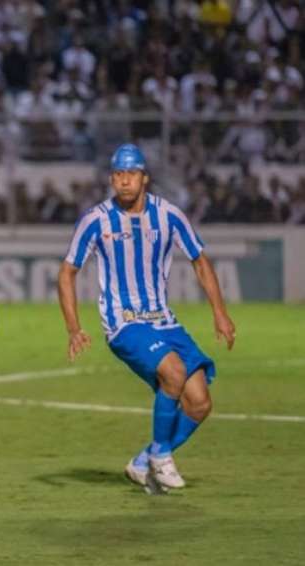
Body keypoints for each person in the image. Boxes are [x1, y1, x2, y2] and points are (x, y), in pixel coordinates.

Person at [57, 143, 236, 492]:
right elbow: (67, 272)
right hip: (124, 323)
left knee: (199, 403)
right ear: (112, 178)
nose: (124, 181)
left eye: (132, 174)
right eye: (119, 175)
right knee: (173, 372)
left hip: (164, 320)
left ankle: (143, 462)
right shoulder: (96, 220)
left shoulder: (169, 215)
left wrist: (220, 313)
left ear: (145, 178)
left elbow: (200, 260)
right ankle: (160, 459)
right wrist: (74, 328)